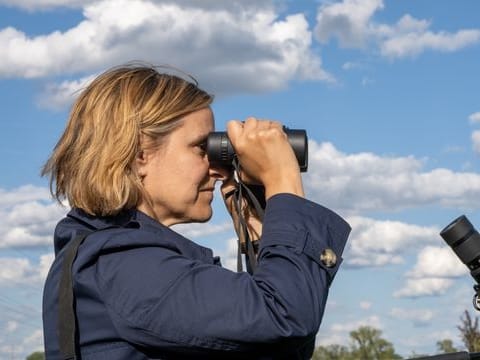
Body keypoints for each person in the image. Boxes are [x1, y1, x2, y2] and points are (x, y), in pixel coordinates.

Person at [41, 63, 351, 359]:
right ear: (139, 155)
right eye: (202, 148)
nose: (217, 170)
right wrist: (282, 181)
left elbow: (274, 346)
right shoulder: (123, 268)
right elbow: (287, 317)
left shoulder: (121, 262)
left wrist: (259, 232)